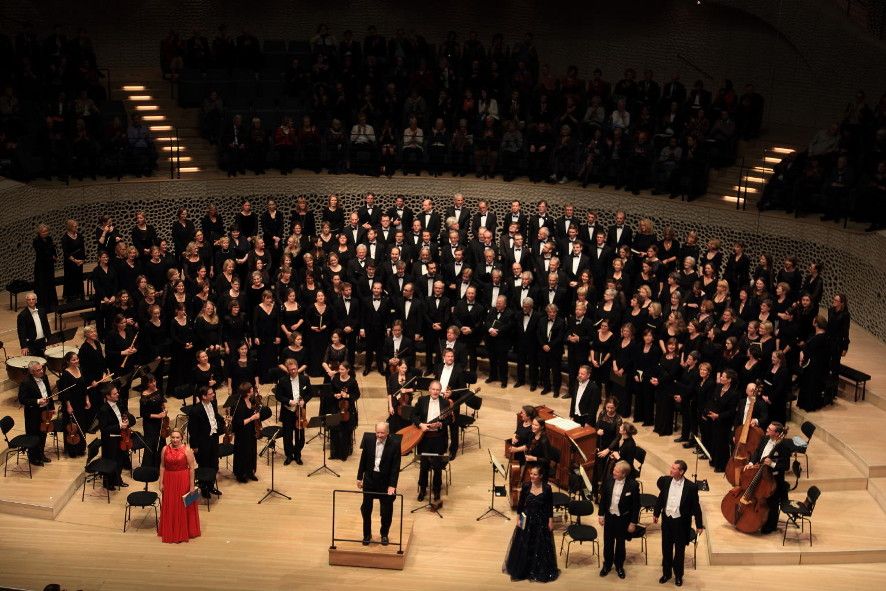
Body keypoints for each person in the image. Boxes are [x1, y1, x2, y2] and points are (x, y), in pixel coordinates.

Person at [502, 463, 560, 582]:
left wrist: (550, 520)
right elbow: (521, 504)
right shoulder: (526, 486)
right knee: (524, 544)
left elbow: (549, 506)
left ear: (541, 476)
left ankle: (538, 569)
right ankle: (524, 569)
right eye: (531, 474)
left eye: (535, 474)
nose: (532, 476)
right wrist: (518, 518)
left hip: (541, 520)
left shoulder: (547, 488)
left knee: (540, 546)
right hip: (526, 519)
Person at [653, 460, 704, 587]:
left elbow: (696, 507)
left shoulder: (691, 487)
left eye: (674, 468)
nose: (671, 470)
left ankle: (678, 576)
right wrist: (656, 513)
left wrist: (699, 525)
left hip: (681, 523)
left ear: (681, 472)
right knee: (666, 549)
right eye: (672, 467)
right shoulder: (666, 481)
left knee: (680, 552)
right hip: (667, 521)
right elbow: (661, 498)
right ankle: (666, 574)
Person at [356, 422, 402, 546]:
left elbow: (395, 467)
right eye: (377, 432)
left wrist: (392, 485)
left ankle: (384, 534)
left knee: (386, 510)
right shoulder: (369, 440)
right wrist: (359, 477)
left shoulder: (395, 444)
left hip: (385, 482)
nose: (379, 435)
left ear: (388, 432)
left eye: (382, 433)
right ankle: (366, 534)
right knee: (366, 509)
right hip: (370, 479)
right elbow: (363, 459)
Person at [744, 421, 790, 534]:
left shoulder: (783, 446)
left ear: (777, 433)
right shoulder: (764, 439)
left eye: (770, 429)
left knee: (772, 503)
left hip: (773, 479)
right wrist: (751, 463)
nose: (767, 430)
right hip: (759, 473)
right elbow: (757, 452)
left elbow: (786, 466)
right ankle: (756, 519)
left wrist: (772, 464)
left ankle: (770, 526)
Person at [598, 460, 640, 579]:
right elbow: (604, 500)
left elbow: (636, 506)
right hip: (610, 517)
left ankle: (619, 566)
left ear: (624, 474)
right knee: (608, 543)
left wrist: (633, 522)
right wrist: (601, 515)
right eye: (614, 470)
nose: (613, 472)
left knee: (620, 544)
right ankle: (607, 565)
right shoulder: (609, 480)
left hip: (623, 519)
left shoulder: (632, 485)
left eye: (616, 471)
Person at [158, 429, 201, 543]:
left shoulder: (187, 450)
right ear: (170, 438)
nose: (175, 440)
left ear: (182, 438)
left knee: (182, 505)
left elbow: (192, 468)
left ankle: (183, 531)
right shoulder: (164, 449)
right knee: (171, 504)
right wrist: (161, 482)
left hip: (183, 479)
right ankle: (171, 530)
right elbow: (162, 466)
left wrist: (192, 486)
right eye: (173, 437)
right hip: (169, 479)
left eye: (177, 437)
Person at [413, 380, 452, 503]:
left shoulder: (445, 402)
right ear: (429, 390)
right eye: (433, 389)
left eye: (437, 390)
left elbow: (450, 420)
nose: (435, 392)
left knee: (437, 466)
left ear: (440, 391)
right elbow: (413, 416)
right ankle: (423, 490)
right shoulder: (422, 401)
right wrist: (420, 424)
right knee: (424, 466)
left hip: (439, 438)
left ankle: (436, 490)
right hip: (424, 438)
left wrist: (441, 424)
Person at [275, 358, 312, 465]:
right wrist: (288, 401)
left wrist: (304, 400)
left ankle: (297, 454)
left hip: (300, 412)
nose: (293, 371)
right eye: (290, 370)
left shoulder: (305, 379)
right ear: (287, 370)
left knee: (300, 436)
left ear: (297, 367)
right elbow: (278, 395)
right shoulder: (283, 380)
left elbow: (310, 393)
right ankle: (289, 456)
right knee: (287, 436)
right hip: (287, 411)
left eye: (295, 369)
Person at [188, 386, 223, 498]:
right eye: (211, 393)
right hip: (202, 442)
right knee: (204, 465)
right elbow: (192, 430)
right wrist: (194, 446)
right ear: (203, 396)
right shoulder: (195, 410)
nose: (213, 395)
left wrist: (222, 421)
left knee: (214, 463)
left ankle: (211, 486)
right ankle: (204, 488)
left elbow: (214, 417)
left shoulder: (212, 404)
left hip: (213, 438)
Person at [17, 360, 54, 465]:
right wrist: (37, 401)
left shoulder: (44, 377)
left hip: (45, 411)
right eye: (38, 370)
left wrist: (51, 407)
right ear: (32, 372)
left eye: (41, 369)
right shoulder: (25, 382)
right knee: (34, 435)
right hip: (33, 413)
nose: (41, 371)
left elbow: (48, 393)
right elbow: (22, 400)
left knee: (43, 433)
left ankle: (41, 454)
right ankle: (33, 457)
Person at [97, 383, 133, 490]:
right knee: (111, 461)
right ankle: (108, 483)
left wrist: (126, 420)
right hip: (110, 440)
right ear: (108, 396)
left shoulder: (119, 404)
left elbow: (123, 415)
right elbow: (104, 428)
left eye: (117, 392)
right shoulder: (103, 410)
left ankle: (118, 480)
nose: (118, 394)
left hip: (121, 437)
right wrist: (119, 426)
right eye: (115, 393)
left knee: (120, 460)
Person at [57, 352, 89, 457]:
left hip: (81, 403)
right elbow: (65, 392)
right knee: (71, 428)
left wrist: (87, 400)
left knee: (81, 426)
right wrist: (68, 406)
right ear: (68, 362)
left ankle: (81, 448)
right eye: (73, 360)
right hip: (71, 404)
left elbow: (85, 388)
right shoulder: (65, 374)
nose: (76, 361)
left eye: (77, 359)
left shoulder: (80, 369)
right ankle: (72, 450)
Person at [326, 361, 359, 460]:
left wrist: (347, 395)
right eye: (339, 369)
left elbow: (357, 395)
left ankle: (344, 454)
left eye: (342, 369)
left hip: (348, 409)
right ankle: (334, 454)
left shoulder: (352, 381)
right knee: (334, 430)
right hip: (336, 407)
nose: (340, 371)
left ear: (348, 370)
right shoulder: (335, 379)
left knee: (345, 431)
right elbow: (330, 391)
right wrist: (335, 395)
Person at [231, 383, 260, 483]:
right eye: (251, 389)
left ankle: (250, 472)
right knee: (243, 453)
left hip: (251, 431)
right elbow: (238, 423)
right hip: (242, 433)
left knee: (251, 451)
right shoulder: (238, 405)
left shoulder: (251, 400)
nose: (253, 390)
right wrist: (253, 417)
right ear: (247, 392)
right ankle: (241, 474)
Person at [138, 373, 166, 468]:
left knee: (161, 441)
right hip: (150, 424)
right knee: (151, 444)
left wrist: (164, 409)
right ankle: (149, 467)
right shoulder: (144, 397)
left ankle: (160, 465)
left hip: (160, 421)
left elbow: (162, 403)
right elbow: (144, 414)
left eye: (154, 381)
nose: (154, 384)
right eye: (151, 382)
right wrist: (158, 416)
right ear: (146, 384)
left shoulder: (158, 391)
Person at [17, 292, 51, 358]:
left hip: (42, 341)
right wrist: (24, 346)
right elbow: (21, 332)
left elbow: (46, 326)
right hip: (31, 343)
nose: (31, 301)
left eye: (33, 299)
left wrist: (51, 340)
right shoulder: (22, 315)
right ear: (26, 301)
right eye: (29, 299)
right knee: (33, 363)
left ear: (36, 300)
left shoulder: (42, 311)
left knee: (44, 360)